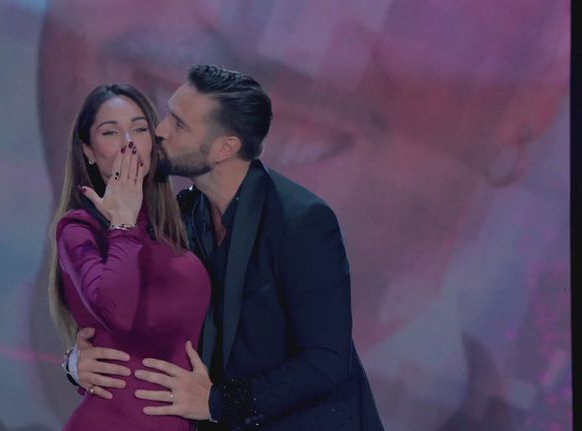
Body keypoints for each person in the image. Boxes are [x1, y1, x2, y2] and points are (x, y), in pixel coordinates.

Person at [66, 65, 384, 430]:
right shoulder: (182, 214)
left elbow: (327, 361)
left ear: (224, 148)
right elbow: (137, 316)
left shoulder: (300, 222)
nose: (160, 130)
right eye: (168, 114)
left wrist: (220, 402)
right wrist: (76, 362)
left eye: (179, 124)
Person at [48, 84, 211, 430]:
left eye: (139, 129)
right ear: (88, 151)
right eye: (110, 132)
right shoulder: (79, 229)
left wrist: (219, 401)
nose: (129, 143)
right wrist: (122, 223)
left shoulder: (180, 222)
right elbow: (117, 313)